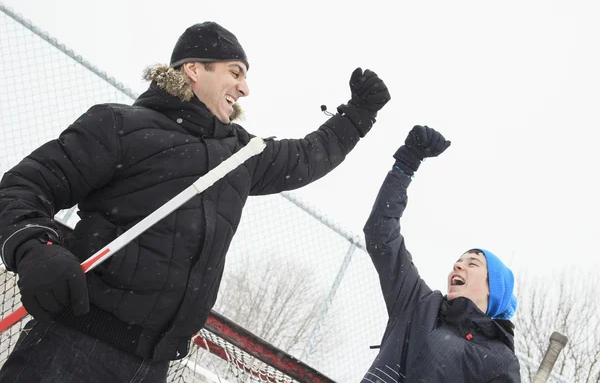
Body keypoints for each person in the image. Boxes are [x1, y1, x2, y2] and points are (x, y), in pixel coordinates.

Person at [0, 21, 390, 382]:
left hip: (153, 366)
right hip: (74, 347)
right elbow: (24, 185)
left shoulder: (239, 156)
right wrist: (35, 248)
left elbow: (306, 158)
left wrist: (357, 116)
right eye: (234, 72)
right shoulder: (121, 126)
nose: (244, 88)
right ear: (194, 70)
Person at [361, 126, 520, 382]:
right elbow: (381, 235)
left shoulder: (500, 359)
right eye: (458, 261)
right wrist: (406, 164)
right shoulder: (418, 304)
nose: (458, 266)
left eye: (473, 263)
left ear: (493, 288)